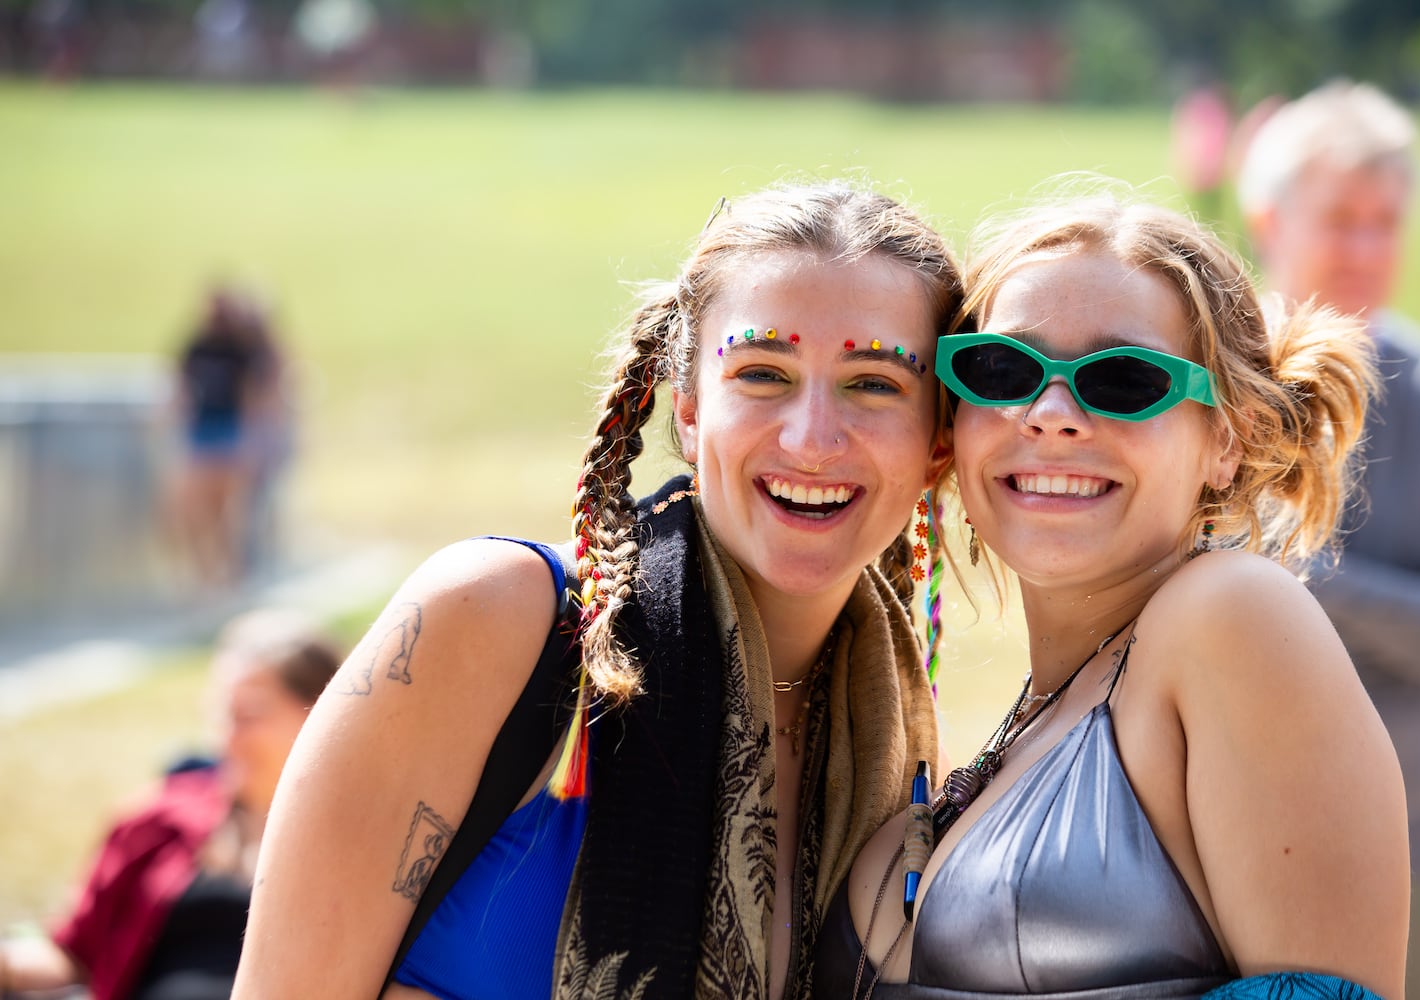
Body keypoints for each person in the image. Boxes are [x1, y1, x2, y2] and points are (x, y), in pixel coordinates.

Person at [231, 181, 960, 1000]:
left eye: (874, 384)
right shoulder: (496, 621)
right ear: (687, 410)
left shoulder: (901, 757)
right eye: (763, 373)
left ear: (939, 442)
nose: (812, 439)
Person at [814, 193, 1409, 998]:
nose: (1052, 414)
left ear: (1226, 438)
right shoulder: (1039, 711)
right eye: (1004, 369)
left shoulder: (1232, 614)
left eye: (1124, 380)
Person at [1237, 80, 1420, 1000]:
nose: (1364, 246)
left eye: (1384, 222)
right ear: (1265, 214)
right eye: (1339, 217)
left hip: (1405, 842)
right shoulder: (1189, 387)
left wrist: (1301, 582)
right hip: (1202, 831)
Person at [0, 608, 343, 1000]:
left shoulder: (360, 841)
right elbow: (73, 955)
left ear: (319, 714)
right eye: (221, 714)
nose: (228, 738)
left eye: (249, 714)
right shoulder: (159, 820)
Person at [168, 283, 288, 589]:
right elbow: (181, 384)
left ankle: (228, 574)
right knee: (194, 510)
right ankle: (206, 573)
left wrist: (252, 441)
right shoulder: (197, 346)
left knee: (225, 511)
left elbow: (252, 397)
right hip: (202, 432)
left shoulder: (240, 351)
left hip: (230, 432)